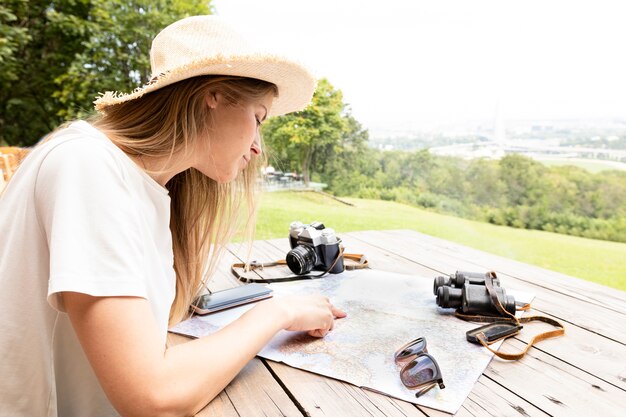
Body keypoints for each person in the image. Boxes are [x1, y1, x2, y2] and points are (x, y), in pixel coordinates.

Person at [0, 15, 346, 417]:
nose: (256, 148)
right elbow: (152, 397)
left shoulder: (145, 188)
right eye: (258, 118)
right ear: (212, 95)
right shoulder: (87, 166)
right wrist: (278, 312)